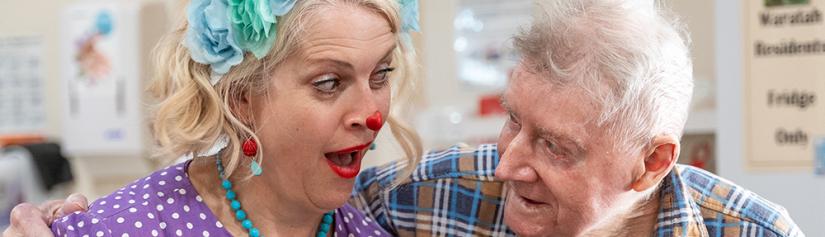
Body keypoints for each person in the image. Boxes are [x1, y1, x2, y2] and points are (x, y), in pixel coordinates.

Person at [4, 0, 807, 237]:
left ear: (648, 163)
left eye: (554, 146)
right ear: (242, 97)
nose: (505, 165)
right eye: (511, 122)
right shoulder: (425, 197)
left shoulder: (753, 234)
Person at [7, 0, 424, 236]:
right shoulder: (126, 228)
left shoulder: (371, 227)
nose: (370, 115)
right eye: (330, 82)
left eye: (380, 74)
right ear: (240, 96)